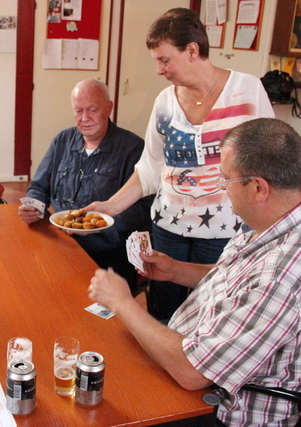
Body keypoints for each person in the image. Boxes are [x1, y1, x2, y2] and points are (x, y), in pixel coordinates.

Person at [88, 118, 301, 426]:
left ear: (258, 188)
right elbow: (238, 277)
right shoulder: (279, 219)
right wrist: (177, 271)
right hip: (195, 350)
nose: (221, 188)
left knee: (99, 397)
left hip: (222, 406)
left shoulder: (281, 277)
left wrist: (122, 303)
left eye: (225, 180)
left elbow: (192, 373)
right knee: (101, 351)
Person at [85, 8, 274, 320]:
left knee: (211, 311)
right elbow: (149, 170)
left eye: (164, 60)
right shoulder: (165, 102)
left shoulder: (248, 91)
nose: (159, 70)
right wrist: (109, 207)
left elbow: (268, 164)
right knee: (165, 309)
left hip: (222, 229)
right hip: (168, 225)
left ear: (192, 51)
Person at [19, 79, 153, 294]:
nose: (85, 118)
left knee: (102, 318)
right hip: (61, 244)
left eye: (92, 110)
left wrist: (102, 225)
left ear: (109, 108)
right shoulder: (62, 140)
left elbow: (144, 207)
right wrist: (34, 206)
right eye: (78, 111)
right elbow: (39, 185)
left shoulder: (132, 147)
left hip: (109, 251)